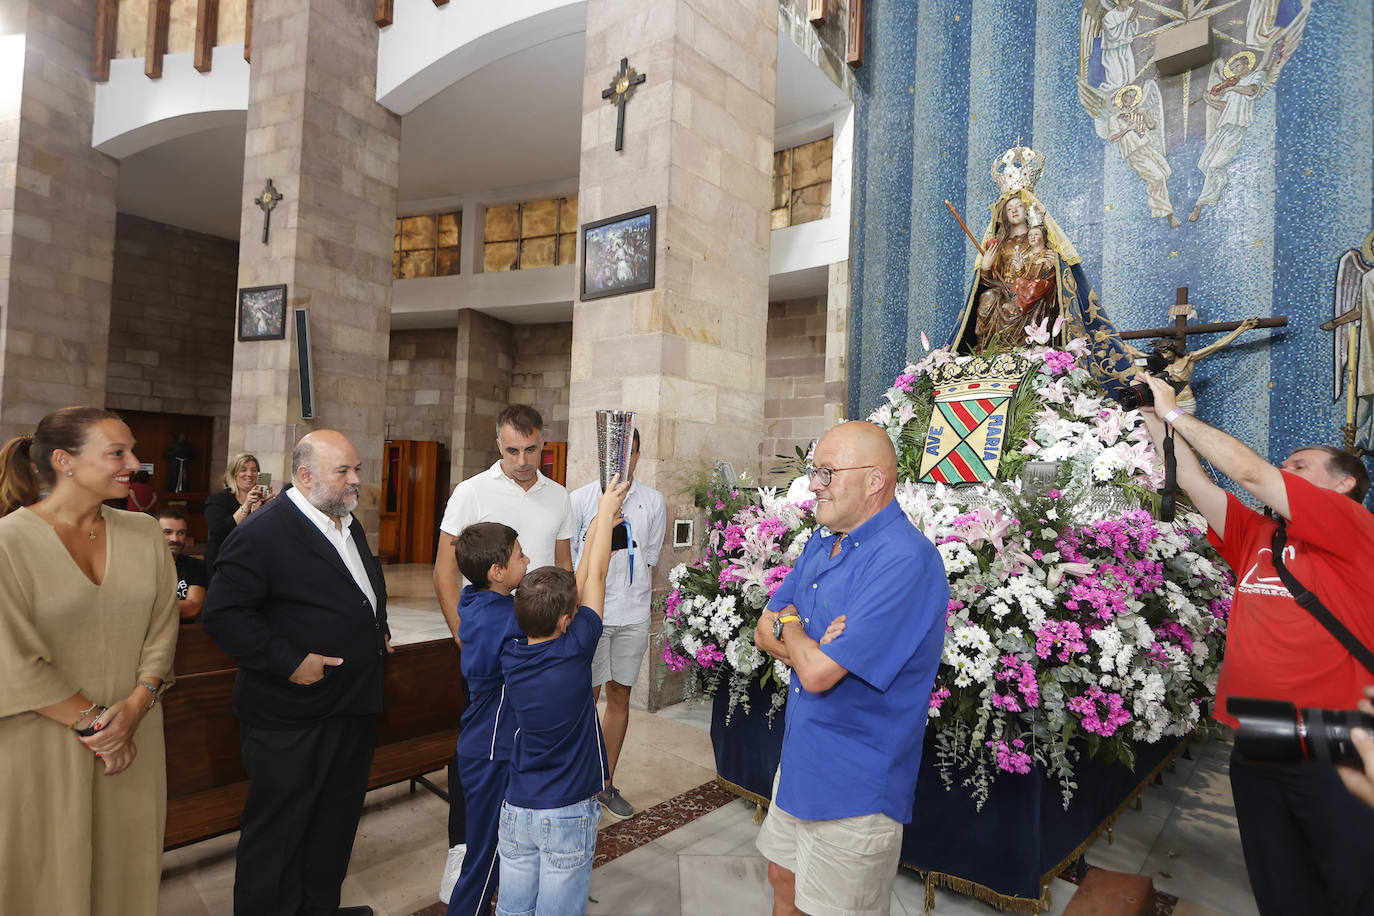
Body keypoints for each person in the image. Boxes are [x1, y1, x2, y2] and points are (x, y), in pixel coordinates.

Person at [1136, 374, 1374, 915]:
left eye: (1298, 467)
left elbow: (1247, 471)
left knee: (1348, 877)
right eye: (1283, 465)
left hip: (1335, 732)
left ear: (1342, 487)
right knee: (1277, 873)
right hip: (1259, 730)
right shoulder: (1261, 536)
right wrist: (1152, 417)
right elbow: (1196, 482)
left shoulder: (1351, 525)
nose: (1281, 473)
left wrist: (1179, 415)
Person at [753, 421, 948, 916]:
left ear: (874, 480)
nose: (814, 484)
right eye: (814, 471)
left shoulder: (906, 560)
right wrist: (810, 642)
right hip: (801, 759)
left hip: (856, 783)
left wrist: (794, 630)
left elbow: (815, 672)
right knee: (782, 881)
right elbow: (762, 629)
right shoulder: (824, 540)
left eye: (826, 472)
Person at [201, 430, 390, 916]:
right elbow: (223, 614)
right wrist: (289, 662)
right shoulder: (264, 531)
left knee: (332, 832)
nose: (356, 481)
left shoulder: (348, 524)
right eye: (343, 471)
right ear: (305, 476)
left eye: (357, 469)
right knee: (279, 838)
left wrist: (377, 628)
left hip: (351, 708)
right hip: (292, 718)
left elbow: (364, 588)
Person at [0, 406, 179, 915]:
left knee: (127, 867)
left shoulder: (145, 533)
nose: (136, 463)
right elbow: (9, 656)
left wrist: (137, 706)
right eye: (118, 452)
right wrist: (98, 724)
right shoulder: (8, 542)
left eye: (134, 451)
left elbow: (163, 630)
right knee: (45, 876)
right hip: (42, 741)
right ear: (65, 461)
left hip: (135, 734)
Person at [433, 403, 573, 892]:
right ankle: (464, 853)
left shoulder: (559, 497)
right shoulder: (471, 491)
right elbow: (444, 570)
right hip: (492, 642)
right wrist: (462, 633)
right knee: (480, 748)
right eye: (512, 449)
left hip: (537, 652)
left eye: (531, 449)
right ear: (498, 445)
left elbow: (563, 571)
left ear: (543, 445)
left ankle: (516, 855)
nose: (521, 459)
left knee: (523, 751)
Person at [496, 477, 630, 916]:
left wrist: (597, 521)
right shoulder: (575, 652)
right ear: (567, 623)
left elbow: (586, 577)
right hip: (567, 810)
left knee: (514, 909)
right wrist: (607, 513)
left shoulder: (512, 652)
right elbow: (595, 575)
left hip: (517, 809)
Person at [569, 428, 667, 818]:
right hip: (591, 614)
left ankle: (605, 783)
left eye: (630, 454)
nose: (621, 462)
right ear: (603, 456)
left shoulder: (654, 502)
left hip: (632, 613)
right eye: (615, 455)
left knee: (619, 695)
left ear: (638, 456)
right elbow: (577, 562)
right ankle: (578, 782)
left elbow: (648, 562)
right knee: (584, 698)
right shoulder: (578, 500)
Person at [445, 523, 529, 916]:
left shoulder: (475, 600)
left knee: (495, 848)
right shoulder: (506, 617)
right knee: (485, 856)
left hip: (484, 744)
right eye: (519, 556)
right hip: (490, 750)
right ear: (497, 571)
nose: (526, 561)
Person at [203, 452, 270, 579]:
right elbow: (219, 532)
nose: (249, 474)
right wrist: (246, 505)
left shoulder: (263, 502)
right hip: (223, 562)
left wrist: (269, 507)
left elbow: (267, 535)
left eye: (254, 470)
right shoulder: (218, 499)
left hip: (252, 564)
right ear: (234, 474)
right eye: (243, 470)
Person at [157, 508, 208, 621]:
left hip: (186, 634)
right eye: (167, 532)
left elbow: (193, 608)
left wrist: (150, 608)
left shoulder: (195, 566)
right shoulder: (142, 566)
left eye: (181, 533)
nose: (175, 539)